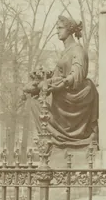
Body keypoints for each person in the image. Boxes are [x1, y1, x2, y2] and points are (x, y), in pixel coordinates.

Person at [24, 16, 99, 147]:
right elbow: (57, 74)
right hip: (63, 93)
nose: (57, 31)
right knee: (33, 98)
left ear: (70, 29)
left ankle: (56, 139)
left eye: (60, 28)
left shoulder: (78, 50)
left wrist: (58, 86)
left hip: (73, 97)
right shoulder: (66, 51)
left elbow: (77, 75)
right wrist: (41, 78)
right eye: (56, 28)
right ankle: (54, 139)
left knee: (36, 103)